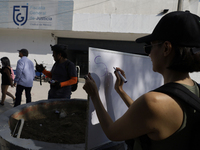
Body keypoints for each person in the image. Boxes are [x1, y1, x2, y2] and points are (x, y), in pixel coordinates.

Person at [83, 11, 200, 150]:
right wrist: (120, 91)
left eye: (150, 46)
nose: (149, 54)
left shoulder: (153, 102)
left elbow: (112, 132)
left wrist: (95, 95)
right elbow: (147, 116)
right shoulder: (195, 91)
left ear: (166, 48)